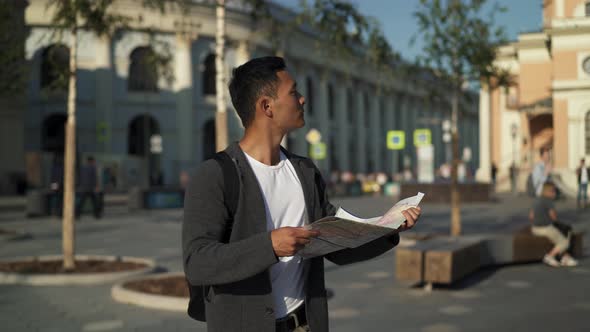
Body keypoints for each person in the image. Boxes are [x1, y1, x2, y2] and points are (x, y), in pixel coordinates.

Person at [182, 57, 421, 332]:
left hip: (305, 324)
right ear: (266, 106)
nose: (303, 99)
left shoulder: (304, 170)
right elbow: (197, 263)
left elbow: (336, 244)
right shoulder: (215, 174)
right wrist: (270, 246)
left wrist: (389, 226)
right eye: (294, 92)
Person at [528, 182, 578, 267]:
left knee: (557, 238)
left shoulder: (538, 199)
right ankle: (550, 256)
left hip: (535, 228)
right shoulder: (548, 201)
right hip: (545, 228)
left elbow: (531, 216)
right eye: (554, 192)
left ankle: (565, 257)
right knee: (564, 242)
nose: (555, 194)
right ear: (550, 192)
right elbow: (553, 217)